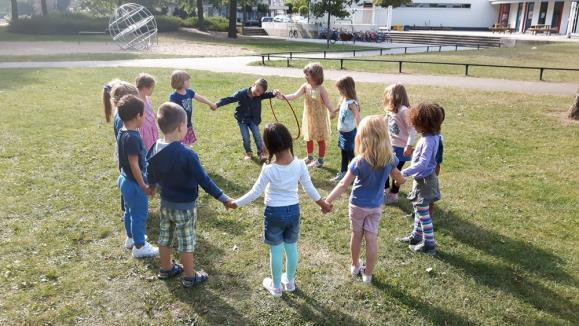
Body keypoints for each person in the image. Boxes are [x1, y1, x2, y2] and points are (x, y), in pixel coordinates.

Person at [228, 123, 332, 297]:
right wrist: (323, 204)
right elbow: (309, 188)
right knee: (291, 248)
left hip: (274, 213)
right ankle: (289, 282)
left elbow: (255, 192)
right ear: (289, 140)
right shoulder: (300, 165)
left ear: (268, 146)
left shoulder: (268, 169)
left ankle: (276, 287)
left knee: (275, 250)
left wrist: (236, 203)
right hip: (293, 212)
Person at [147, 102, 234, 288]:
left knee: (165, 237)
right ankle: (189, 276)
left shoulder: (154, 148)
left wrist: (152, 186)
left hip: (165, 205)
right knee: (186, 242)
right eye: (186, 124)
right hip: (185, 208)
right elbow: (204, 180)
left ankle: (165, 268)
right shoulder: (187, 154)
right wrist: (223, 198)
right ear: (180, 127)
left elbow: (150, 171)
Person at [325, 115, 405, 283]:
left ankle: (355, 266)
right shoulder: (390, 159)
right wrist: (401, 180)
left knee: (356, 235)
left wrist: (328, 200)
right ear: (385, 136)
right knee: (371, 239)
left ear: (362, 137)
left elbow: (343, 184)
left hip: (357, 206)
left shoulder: (359, 161)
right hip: (375, 206)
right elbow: (398, 177)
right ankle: (367, 275)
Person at [396, 103, 444, 256]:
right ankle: (416, 237)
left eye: (415, 123)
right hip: (423, 180)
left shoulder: (429, 140)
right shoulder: (433, 136)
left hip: (425, 182)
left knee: (423, 214)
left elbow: (423, 163)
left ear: (424, 124)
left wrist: (404, 172)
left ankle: (429, 245)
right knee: (419, 209)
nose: (413, 126)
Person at [116, 95, 158, 258]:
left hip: (124, 180)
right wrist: (143, 185)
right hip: (134, 184)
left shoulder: (123, 131)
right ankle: (140, 247)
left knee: (129, 211)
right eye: (144, 115)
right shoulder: (133, 137)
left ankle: (131, 238)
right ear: (138, 116)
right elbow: (134, 164)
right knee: (139, 215)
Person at [283, 63, 336, 168]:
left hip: (319, 119)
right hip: (309, 117)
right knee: (308, 137)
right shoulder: (305, 87)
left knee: (320, 139)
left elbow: (327, 102)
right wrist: (282, 96)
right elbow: (294, 95)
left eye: (307, 74)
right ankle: (310, 157)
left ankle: (320, 160)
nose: (305, 76)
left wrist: (332, 110)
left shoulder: (321, 89)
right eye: (305, 74)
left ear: (315, 75)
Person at [215, 78, 280, 161]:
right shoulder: (241, 94)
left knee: (257, 136)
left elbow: (269, 94)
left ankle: (261, 153)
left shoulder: (260, 95)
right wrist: (217, 104)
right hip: (242, 120)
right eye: (257, 90)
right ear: (253, 85)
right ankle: (248, 153)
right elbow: (230, 99)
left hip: (253, 119)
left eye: (260, 93)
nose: (257, 93)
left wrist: (275, 93)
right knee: (246, 137)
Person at [383, 83, 415, 204]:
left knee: (395, 171)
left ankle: (394, 194)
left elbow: (412, 129)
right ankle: (386, 190)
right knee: (385, 167)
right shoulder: (391, 110)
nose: (387, 97)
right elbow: (384, 123)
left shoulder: (403, 110)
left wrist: (409, 145)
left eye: (388, 95)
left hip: (402, 148)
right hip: (391, 146)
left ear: (395, 95)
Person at [169, 70, 217, 146]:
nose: (189, 82)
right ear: (180, 82)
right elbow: (171, 111)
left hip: (188, 123)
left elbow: (199, 98)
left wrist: (210, 103)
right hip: (179, 126)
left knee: (188, 143)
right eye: (187, 80)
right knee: (180, 144)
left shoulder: (189, 92)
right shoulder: (174, 96)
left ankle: (187, 152)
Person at [332, 76, 361, 182]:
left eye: (340, 89)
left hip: (349, 134)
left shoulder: (352, 103)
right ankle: (344, 172)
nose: (339, 91)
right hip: (342, 133)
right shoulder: (344, 100)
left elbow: (357, 117)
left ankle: (355, 174)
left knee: (350, 155)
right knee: (343, 152)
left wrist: (360, 131)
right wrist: (333, 111)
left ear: (346, 89)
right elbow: (340, 108)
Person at [135, 73, 159, 152]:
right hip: (143, 130)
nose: (153, 90)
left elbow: (150, 110)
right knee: (146, 149)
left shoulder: (147, 98)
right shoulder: (136, 100)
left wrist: (157, 117)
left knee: (153, 147)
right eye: (152, 88)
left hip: (152, 127)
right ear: (145, 88)